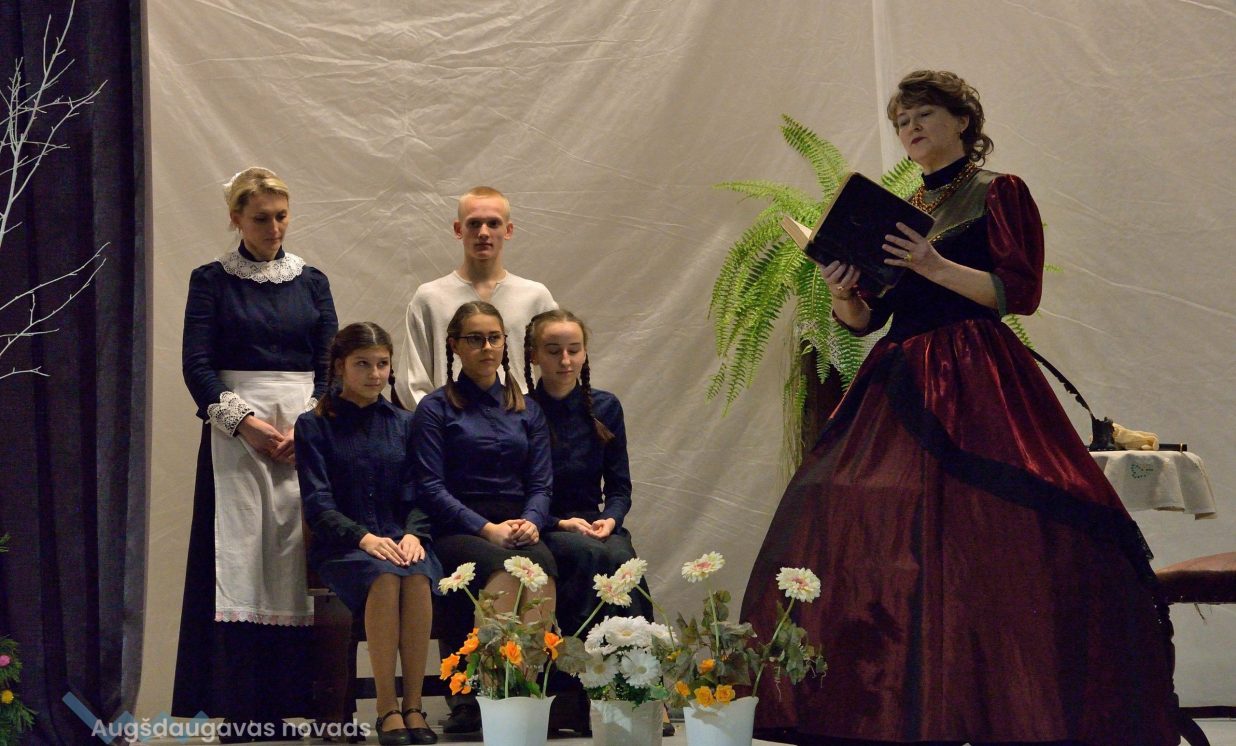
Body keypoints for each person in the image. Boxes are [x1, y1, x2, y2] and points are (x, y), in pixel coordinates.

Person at [741, 70, 1177, 745]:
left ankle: (1013, 703)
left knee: (997, 528)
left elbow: (1017, 293)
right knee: (847, 502)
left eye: (923, 114)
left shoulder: (999, 191)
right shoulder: (901, 206)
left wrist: (931, 262)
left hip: (976, 372)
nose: (910, 128)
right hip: (901, 372)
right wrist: (842, 289)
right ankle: (897, 706)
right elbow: (867, 320)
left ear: (962, 123)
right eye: (901, 121)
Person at [173, 167, 337, 740]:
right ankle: (241, 710)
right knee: (240, 563)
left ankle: (290, 705)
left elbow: (330, 365)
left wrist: (307, 428)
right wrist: (247, 425)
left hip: (302, 439)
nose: (274, 227)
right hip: (236, 443)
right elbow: (196, 365)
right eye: (261, 217)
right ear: (236, 219)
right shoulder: (210, 281)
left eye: (281, 216)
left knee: (295, 562)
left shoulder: (312, 282)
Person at [411, 301, 557, 734]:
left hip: (517, 525)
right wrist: (486, 529)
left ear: (504, 343)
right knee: (504, 572)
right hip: (459, 527)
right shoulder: (435, 409)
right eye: (474, 339)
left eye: (494, 338)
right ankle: (483, 698)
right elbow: (430, 487)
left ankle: (522, 693)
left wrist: (532, 520)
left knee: (541, 571)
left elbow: (542, 483)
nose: (486, 347)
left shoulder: (527, 409)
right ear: (455, 345)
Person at [296, 322, 442, 745]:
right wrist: (363, 538)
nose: (375, 374)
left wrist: (414, 534)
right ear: (340, 366)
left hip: (399, 540)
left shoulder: (405, 423)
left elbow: (421, 492)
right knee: (384, 575)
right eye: (363, 364)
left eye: (382, 364)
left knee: (417, 575)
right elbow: (318, 504)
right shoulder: (313, 425)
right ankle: (386, 708)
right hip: (344, 546)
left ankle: (413, 705)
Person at [523, 309, 654, 633]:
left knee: (623, 558)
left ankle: (639, 654)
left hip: (593, 521)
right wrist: (558, 522)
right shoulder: (520, 412)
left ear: (584, 353)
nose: (565, 360)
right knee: (590, 554)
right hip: (544, 523)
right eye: (553, 351)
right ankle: (583, 654)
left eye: (574, 350)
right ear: (534, 355)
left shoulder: (605, 407)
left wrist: (611, 519)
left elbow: (619, 487)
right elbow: (513, 492)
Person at [394, 186, 556, 410]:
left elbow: (559, 366)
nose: (483, 233)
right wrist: (438, 420)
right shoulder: (430, 298)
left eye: (493, 223)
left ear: (508, 230)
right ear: (458, 229)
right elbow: (413, 380)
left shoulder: (535, 297)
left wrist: (534, 419)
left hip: (517, 421)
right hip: (450, 422)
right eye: (474, 223)